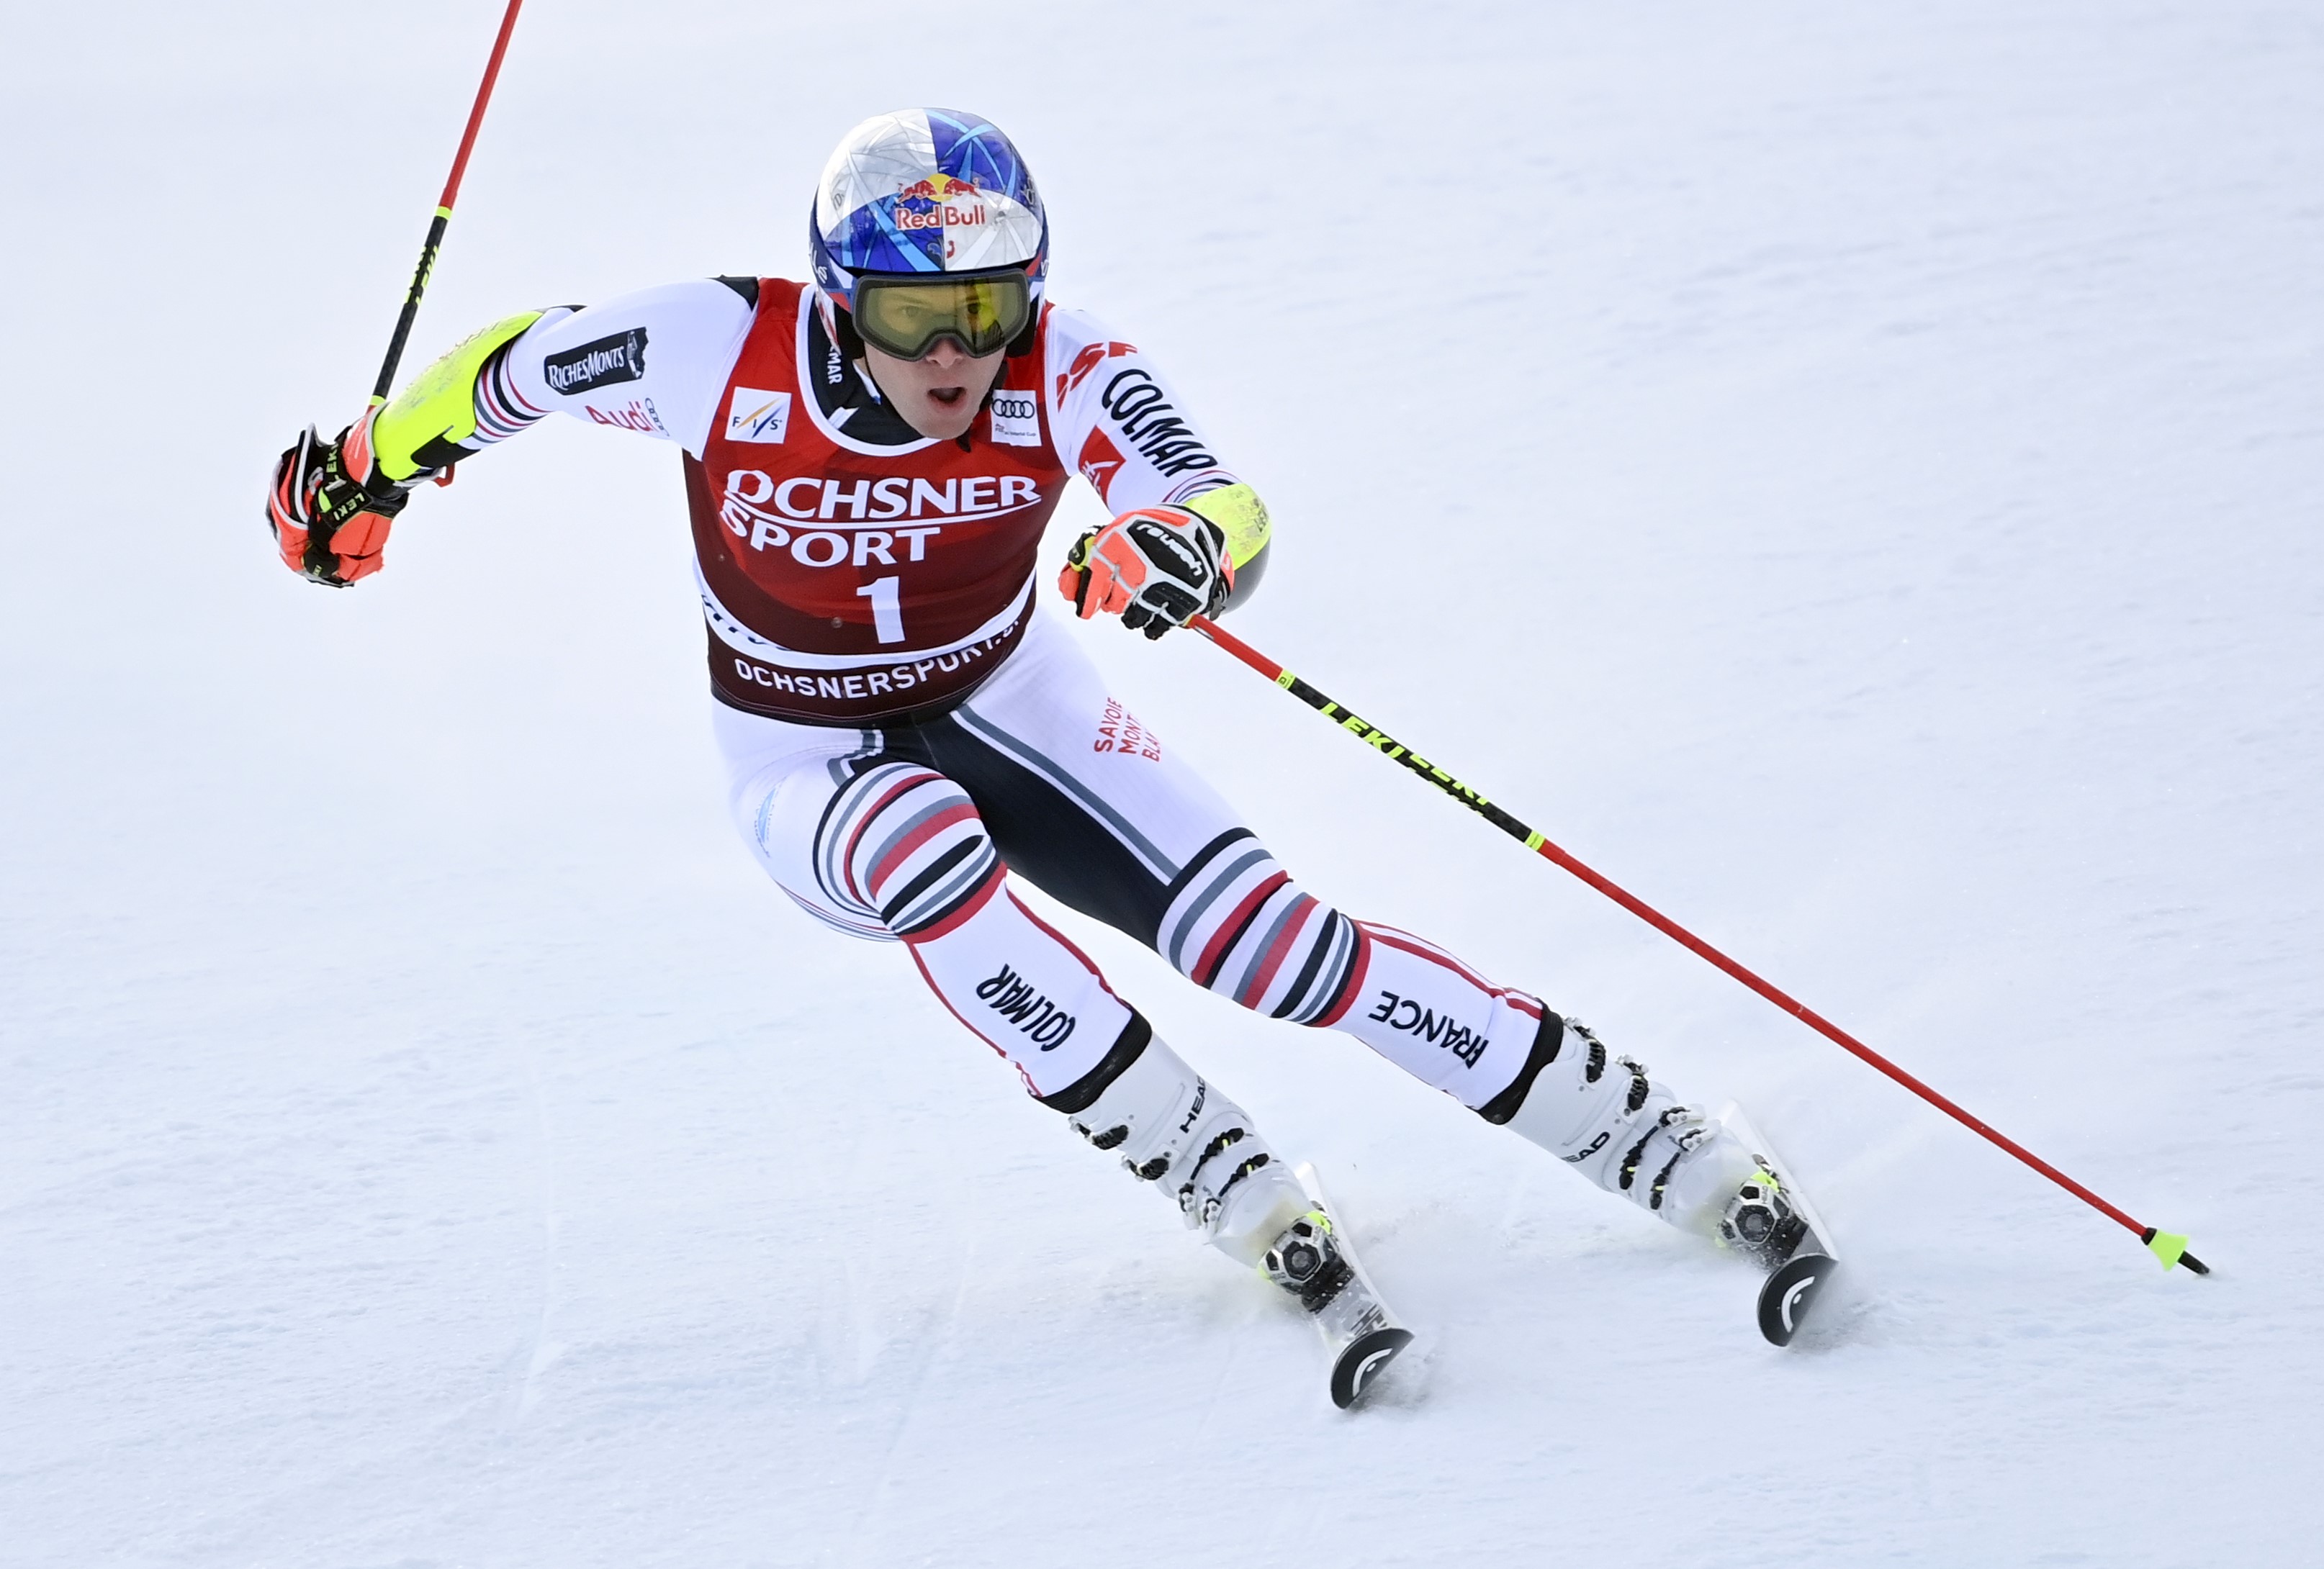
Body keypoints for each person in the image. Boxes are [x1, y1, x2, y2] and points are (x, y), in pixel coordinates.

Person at [268, 107, 1809, 1326]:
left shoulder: (1059, 364)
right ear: (838, 295)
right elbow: (512, 371)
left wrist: (1180, 545)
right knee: (920, 841)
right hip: (803, 759)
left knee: (1267, 946)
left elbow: (1214, 491)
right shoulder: (710, 347)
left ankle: (1657, 1141)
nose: (955, 351)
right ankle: (1217, 1172)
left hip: (1008, 699)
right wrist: (366, 468)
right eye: (919, 309)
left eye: (990, 302)